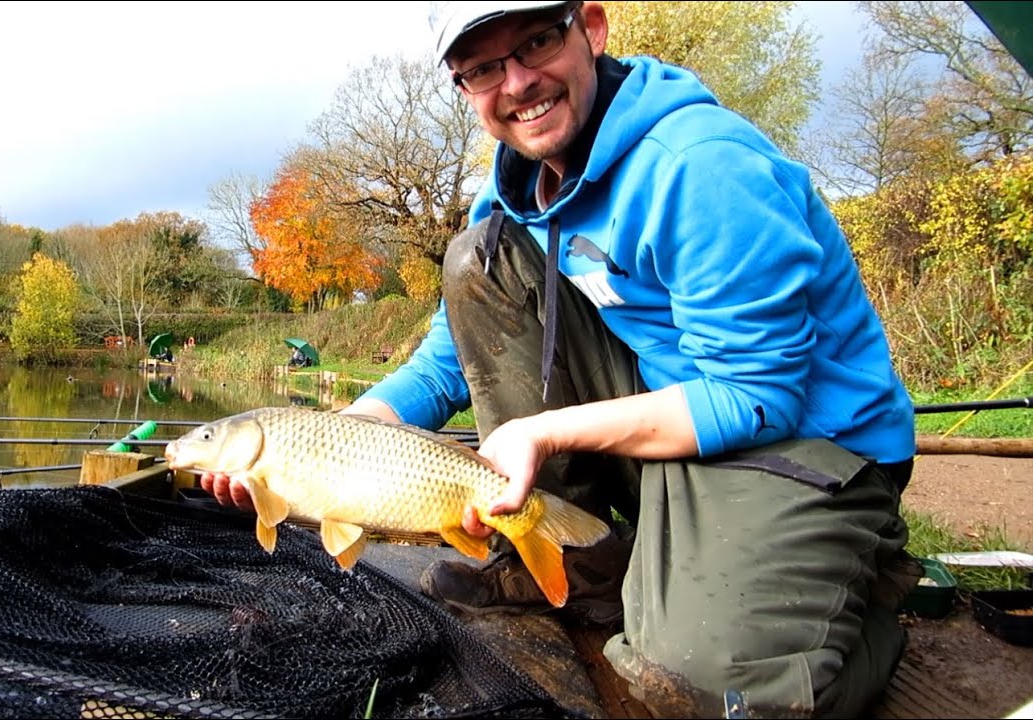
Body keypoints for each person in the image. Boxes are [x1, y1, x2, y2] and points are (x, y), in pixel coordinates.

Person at [199, 1, 920, 716]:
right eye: (484, 68)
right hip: (671, 419)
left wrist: (543, 433)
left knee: (707, 691)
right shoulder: (511, 190)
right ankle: (582, 562)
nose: (517, 83)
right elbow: (446, 363)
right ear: (464, 88)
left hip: (809, 448)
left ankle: (865, 579)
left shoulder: (700, 166)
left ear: (592, 30)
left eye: (538, 42)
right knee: (479, 258)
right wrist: (341, 436)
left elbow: (759, 395)